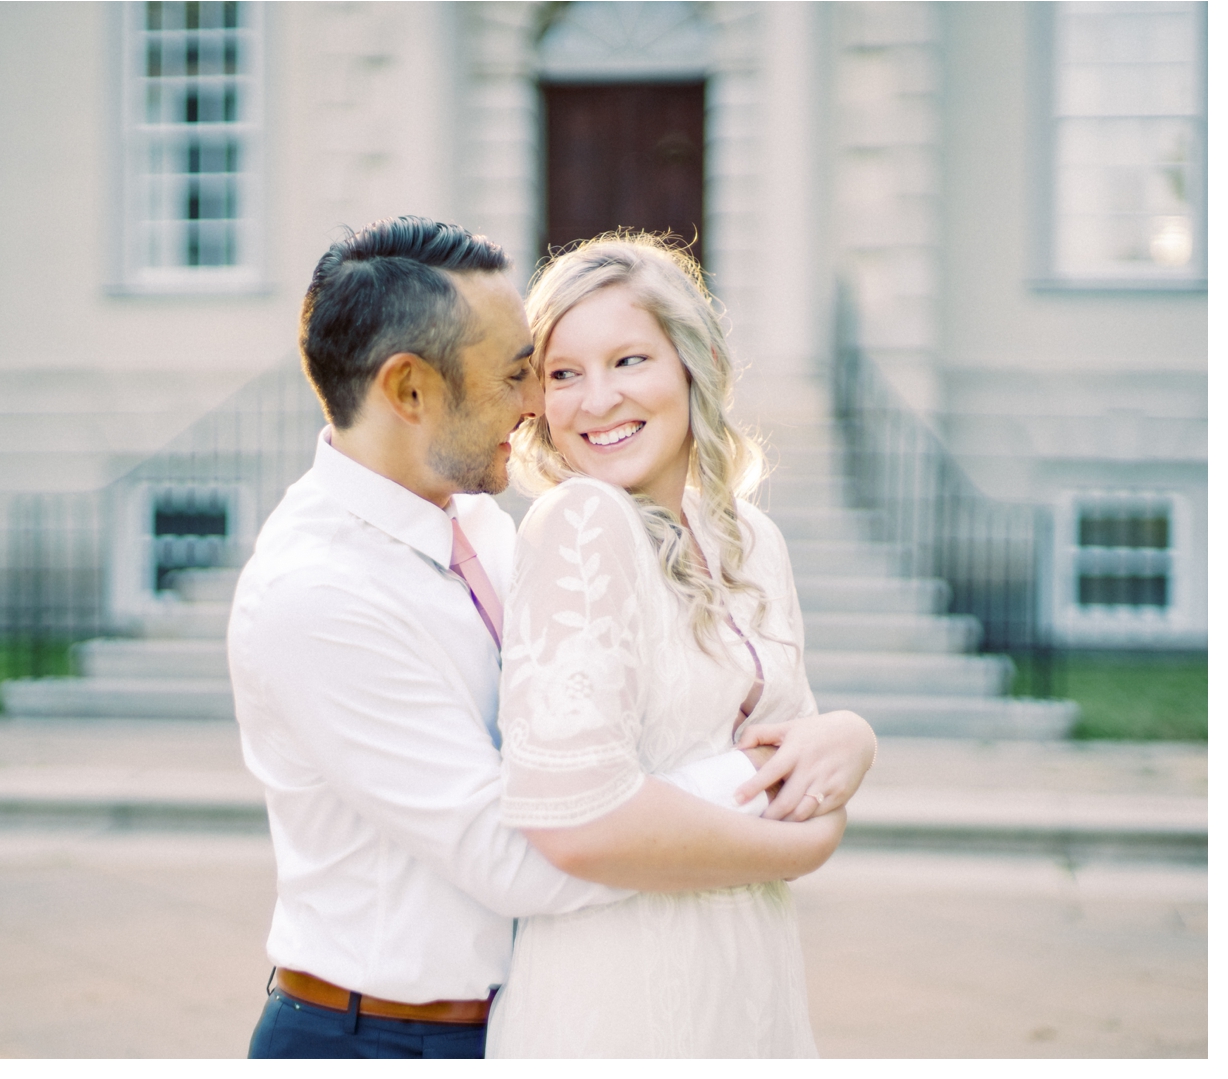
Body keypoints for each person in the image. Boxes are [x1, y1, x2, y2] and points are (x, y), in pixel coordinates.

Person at [229, 217, 873, 1060]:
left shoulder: (479, 525)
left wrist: (840, 738)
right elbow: (524, 855)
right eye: (519, 374)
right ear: (411, 391)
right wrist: (778, 797)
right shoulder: (317, 597)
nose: (541, 405)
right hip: (375, 1038)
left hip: (518, 1011)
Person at [485, 234, 877, 1058]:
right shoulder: (580, 524)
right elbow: (577, 822)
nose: (596, 401)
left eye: (629, 361)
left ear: (691, 365)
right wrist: (803, 844)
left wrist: (849, 736)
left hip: (749, 972)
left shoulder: (751, 538)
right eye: (563, 374)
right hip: (620, 991)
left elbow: (794, 763)